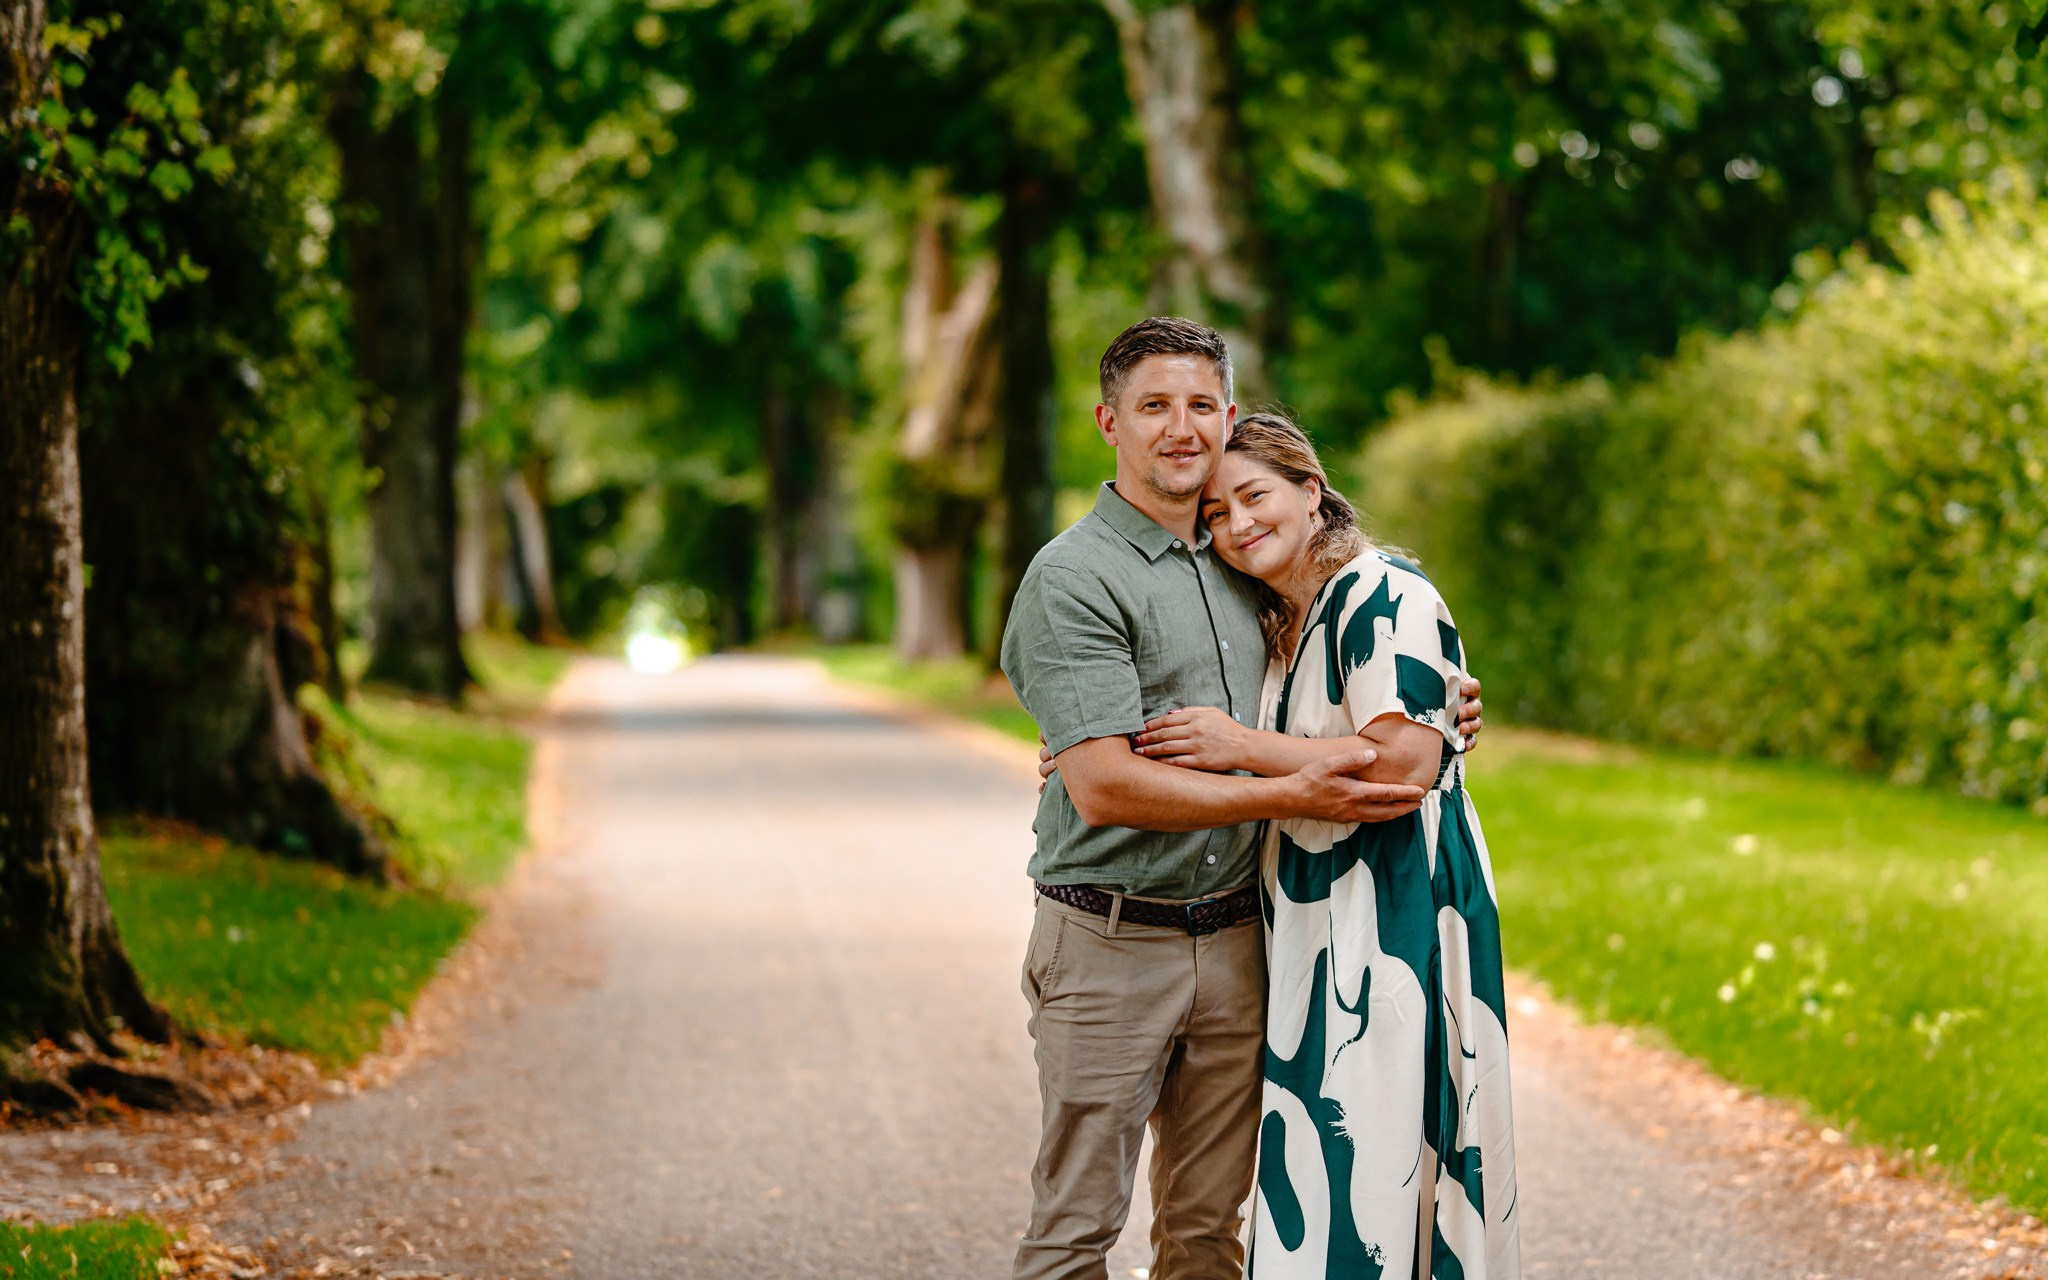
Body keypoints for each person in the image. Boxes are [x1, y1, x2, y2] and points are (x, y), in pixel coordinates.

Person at [998, 317, 1482, 1280]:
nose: (1180, 428)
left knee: (1208, 1233)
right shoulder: (1073, 577)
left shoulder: (1243, 569)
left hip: (1241, 944)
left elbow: (1351, 682)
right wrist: (1292, 787)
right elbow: (1102, 787)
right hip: (1109, 941)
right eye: (1153, 407)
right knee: (1074, 1233)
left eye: (1200, 405)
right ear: (1109, 421)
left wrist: (1439, 705)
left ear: (1226, 417)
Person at [1131, 413, 1520, 1278]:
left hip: (1391, 915)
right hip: (1311, 920)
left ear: (1312, 491)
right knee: (1328, 1161)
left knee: (1376, 1158)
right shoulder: (1279, 622)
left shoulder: (1383, 592)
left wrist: (1244, 748)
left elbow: (1397, 771)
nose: (1237, 525)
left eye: (1255, 496)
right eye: (1217, 515)